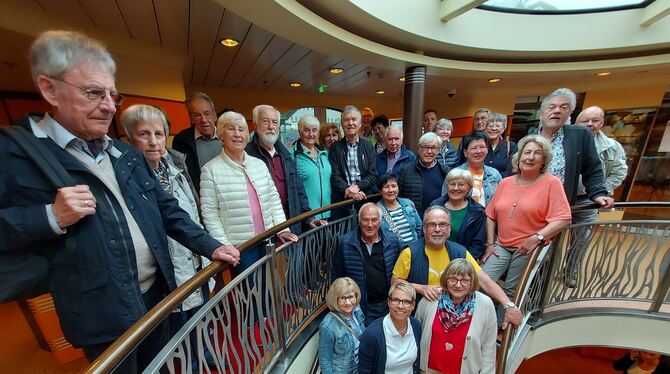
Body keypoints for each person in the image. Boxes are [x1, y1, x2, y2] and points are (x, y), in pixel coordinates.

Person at [0, 30, 240, 372]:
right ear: (49, 89)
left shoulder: (125, 155)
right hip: (102, 315)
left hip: (158, 298)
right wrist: (49, 217)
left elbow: (166, 208)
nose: (110, 106)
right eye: (94, 93)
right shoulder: (14, 154)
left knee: (162, 364)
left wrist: (210, 245)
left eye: (113, 95)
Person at [481, 135, 571, 324]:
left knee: (511, 290)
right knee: (482, 280)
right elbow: (491, 215)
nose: (530, 157)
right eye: (527, 152)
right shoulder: (506, 182)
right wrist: (490, 243)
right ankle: (482, 320)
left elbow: (563, 218)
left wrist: (536, 238)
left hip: (528, 247)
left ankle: (498, 328)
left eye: (537, 153)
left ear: (544, 160)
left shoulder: (551, 183)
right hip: (502, 245)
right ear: (519, 157)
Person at [392, 206, 523, 329]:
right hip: (420, 317)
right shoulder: (409, 253)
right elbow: (395, 282)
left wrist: (509, 305)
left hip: (455, 317)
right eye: (432, 225)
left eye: (443, 225)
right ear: (424, 229)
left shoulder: (460, 252)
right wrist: (420, 288)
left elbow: (484, 280)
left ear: (449, 229)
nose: (437, 229)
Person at [200, 111, 297, 273]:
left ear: (247, 134)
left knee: (270, 286)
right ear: (221, 134)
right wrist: (224, 245)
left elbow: (273, 200)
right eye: (231, 129)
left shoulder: (258, 164)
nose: (238, 134)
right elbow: (210, 213)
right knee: (248, 293)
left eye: (242, 129)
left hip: (268, 239)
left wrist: (282, 229)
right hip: (241, 247)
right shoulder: (210, 170)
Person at [246, 105, 325, 233]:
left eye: (275, 122)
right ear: (255, 125)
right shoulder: (247, 156)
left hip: (291, 225)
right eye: (265, 121)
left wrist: (309, 217)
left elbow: (299, 189)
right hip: (265, 232)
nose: (271, 127)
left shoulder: (285, 154)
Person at [415, 259, 497, 374]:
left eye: (464, 280)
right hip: (429, 370)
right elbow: (415, 336)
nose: (458, 285)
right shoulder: (431, 298)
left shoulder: (485, 304)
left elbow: (489, 347)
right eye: (452, 279)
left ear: (472, 282)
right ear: (445, 280)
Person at [538, 88, 613, 208]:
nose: (557, 111)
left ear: (570, 113)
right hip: (529, 203)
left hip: (559, 205)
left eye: (563, 107)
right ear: (542, 113)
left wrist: (597, 193)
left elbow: (592, 168)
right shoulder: (529, 140)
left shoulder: (580, 135)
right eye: (551, 107)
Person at [332, 203, 404, 326]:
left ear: (380, 221)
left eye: (374, 220)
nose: (370, 225)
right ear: (359, 221)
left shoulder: (392, 241)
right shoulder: (346, 243)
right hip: (361, 307)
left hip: (388, 303)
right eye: (365, 220)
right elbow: (337, 276)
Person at [358, 281, 421, 374]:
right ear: (388, 302)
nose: (400, 306)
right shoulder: (372, 334)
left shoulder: (416, 325)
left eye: (406, 302)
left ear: (413, 306)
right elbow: (364, 371)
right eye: (396, 300)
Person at [329, 105, 378, 216]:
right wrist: (348, 191)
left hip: (364, 199)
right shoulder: (335, 147)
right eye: (346, 120)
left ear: (360, 124)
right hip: (342, 202)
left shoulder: (368, 146)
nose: (350, 123)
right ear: (342, 125)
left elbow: (373, 174)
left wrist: (357, 187)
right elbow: (334, 175)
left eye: (354, 119)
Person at [430, 169, 486, 259]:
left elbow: (478, 244)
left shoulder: (477, 212)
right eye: (452, 184)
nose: (456, 188)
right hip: (434, 256)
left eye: (461, 184)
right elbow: (426, 234)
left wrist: (462, 263)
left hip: (462, 261)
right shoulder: (434, 206)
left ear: (469, 188)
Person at [172, 92, 222, 193]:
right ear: (191, 119)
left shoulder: (228, 136)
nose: (203, 120)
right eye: (197, 115)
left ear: (215, 116)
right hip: (201, 200)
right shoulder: (181, 141)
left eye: (207, 113)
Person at [575, 105, 628, 200]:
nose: (590, 124)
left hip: (589, 200)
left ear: (602, 123)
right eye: (585, 121)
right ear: (576, 123)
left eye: (595, 120)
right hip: (562, 196)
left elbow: (619, 173)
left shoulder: (613, 147)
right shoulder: (564, 142)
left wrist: (599, 192)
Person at [319, 277, 366, 374]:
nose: (348, 303)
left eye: (351, 297)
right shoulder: (328, 326)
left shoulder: (357, 310)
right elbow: (325, 361)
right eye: (343, 298)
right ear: (335, 299)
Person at [398, 132, 449, 217]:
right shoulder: (406, 170)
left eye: (433, 148)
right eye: (425, 147)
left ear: (438, 150)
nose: (429, 151)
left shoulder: (445, 170)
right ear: (419, 148)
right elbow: (399, 198)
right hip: (413, 218)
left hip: (437, 219)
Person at [291, 115, 332, 219]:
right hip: (308, 217)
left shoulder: (324, 154)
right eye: (306, 130)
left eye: (314, 130)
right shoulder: (293, 155)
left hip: (329, 213)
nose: (311, 134)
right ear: (300, 132)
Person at [454, 132, 501, 207]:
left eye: (482, 147)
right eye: (474, 148)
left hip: (487, 217)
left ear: (487, 150)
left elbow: (500, 200)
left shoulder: (494, 174)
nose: (478, 151)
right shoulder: (455, 174)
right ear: (465, 152)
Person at [376, 174, 423, 245]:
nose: (391, 190)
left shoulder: (408, 203)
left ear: (398, 188)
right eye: (386, 187)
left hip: (414, 250)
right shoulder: (376, 210)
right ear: (380, 191)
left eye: (394, 186)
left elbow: (419, 227)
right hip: (393, 253)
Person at [484, 113, 517, 177]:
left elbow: (512, 169)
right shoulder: (480, 145)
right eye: (490, 126)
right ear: (486, 128)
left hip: (502, 183)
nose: (493, 128)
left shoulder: (510, 146)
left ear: (503, 129)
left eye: (497, 126)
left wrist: (495, 178)